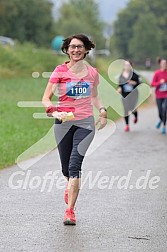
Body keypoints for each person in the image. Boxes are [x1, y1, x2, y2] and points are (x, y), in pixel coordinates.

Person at [42, 34, 107, 225]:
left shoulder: (92, 73)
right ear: (67, 50)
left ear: (86, 49)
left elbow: (94, 97)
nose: (76, 50)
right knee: (65, 168)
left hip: (85, 123)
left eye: (80, 47)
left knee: (74, 166)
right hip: (63, 123)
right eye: (72, 47)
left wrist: (102, 110)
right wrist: (53, 112)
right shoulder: (60, 71)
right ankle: (69, 185)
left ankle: (70, 211)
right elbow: (46, 97)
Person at [117, 60, 141, 132]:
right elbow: (120, 84)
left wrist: (134, 83)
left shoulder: (134, 75)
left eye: (128, 65)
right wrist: (119, 89)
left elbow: (139, 82)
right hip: (125, 94)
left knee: (132, 108)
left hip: (133, 94)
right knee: (126, 109)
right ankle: (127, 125)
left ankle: (136, 115)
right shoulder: (121, 75)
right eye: (125, 65)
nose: (127, 66)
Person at [151, 58, 167, 134]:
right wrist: (159, 83)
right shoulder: (157, 73)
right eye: (163, 63)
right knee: (160, 112)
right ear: (160, 64)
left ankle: (164, 126)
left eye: (165, 63)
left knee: (164, 110)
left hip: (166, 95)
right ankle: (161, 120)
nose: (164, 65)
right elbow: (152, 84)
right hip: (158, 95)